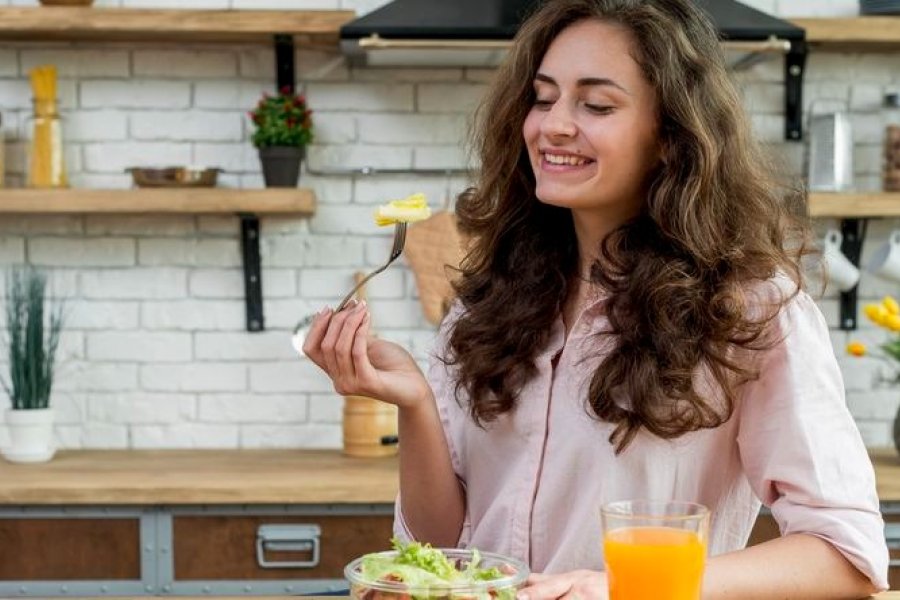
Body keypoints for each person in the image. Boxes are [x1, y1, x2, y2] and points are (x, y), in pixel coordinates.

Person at [302, 0, 890, 597]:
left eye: (597, 104)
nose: (553, 124)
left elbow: (845, 555)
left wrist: (623, 588)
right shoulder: (487, 299)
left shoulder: (751, 309)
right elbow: (442, 542)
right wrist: (416, 405)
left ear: (670, 136)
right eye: (543, 97)